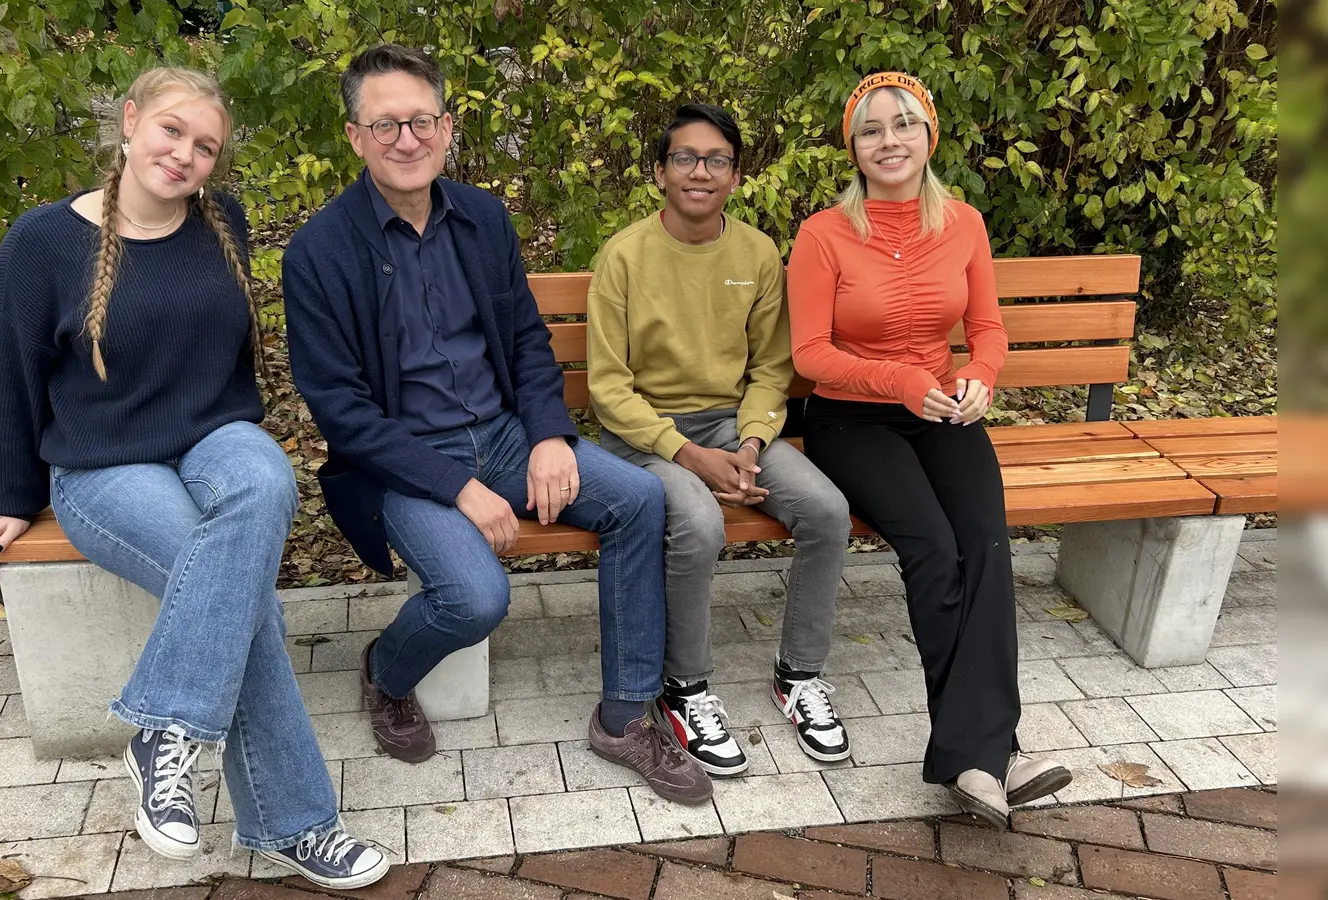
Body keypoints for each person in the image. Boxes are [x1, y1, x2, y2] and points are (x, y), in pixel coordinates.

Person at [0, 67, 387, 888]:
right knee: (246, 599)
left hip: (212, 437)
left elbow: (233, 352)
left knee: (268, 480)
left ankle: (161, 725)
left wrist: (233, 429)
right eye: (172, 131)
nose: (185, 155)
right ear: (130, 122)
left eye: (206, 146)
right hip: (102, 464)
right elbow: (13, 377)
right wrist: (10, 497)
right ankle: (294, 825)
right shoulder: (43, 242)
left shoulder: (221, 222)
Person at [282, 44, 711, 806]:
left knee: (640, 500)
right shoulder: (319, 252)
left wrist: (549, 434)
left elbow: (525, 344)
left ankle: (621, 719)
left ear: (447, 128)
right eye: (384, 126)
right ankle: (386, 671)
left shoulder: (481, 219)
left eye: (420, 121)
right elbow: (342, 413)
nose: (405, 140)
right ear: (354, 138)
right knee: (476, 598)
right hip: (406, 460)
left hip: (509, 436)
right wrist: (460, 487)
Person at [787, 71, 1072, 828]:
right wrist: (900, 380)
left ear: (928, 137)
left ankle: (978, 759)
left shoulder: (965, 224)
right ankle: (990, 754)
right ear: (852, 147)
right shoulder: (823, 234)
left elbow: (988, 330)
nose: (890, 140)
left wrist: (980, 376)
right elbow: (811, 353)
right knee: (934, 550)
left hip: (944, 413)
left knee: (984, 543)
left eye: (903, 124)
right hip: (852, 421)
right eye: (872, 129)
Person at [587, 104, 854, 776]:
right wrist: (689, 455)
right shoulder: (623, 256)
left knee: (826, 511)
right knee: (701, 523)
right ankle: (687, 689)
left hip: (733, 428)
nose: (700, 172)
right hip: (641, 435)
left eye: (716, 160)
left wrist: (754, 442)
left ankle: (799, 676)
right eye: (684, 158)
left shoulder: (758, 253)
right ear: (659, 172)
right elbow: (609, 390)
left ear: (736, 176)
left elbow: (770, 369)